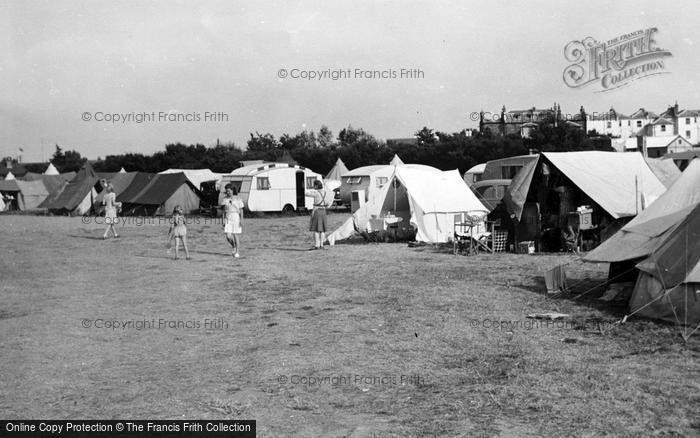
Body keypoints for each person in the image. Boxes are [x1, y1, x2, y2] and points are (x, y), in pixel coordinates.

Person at [305, 179, 334, 250]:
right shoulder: (326, 193)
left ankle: (317, 245)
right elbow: (328, 203)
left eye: (314, 185)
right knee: (323, 230)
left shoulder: (316, 193)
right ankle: (321, 245)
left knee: (316, 229)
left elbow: (306, 194)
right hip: (324, 211)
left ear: (316, 186)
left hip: (317, 211)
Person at [220, 184, 244, 258]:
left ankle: (237, 251)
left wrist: (241, 220)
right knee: (228, 236)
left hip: (236, 217)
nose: (228, 192)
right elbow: (223, 211)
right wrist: (223, 219)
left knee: (235, 234)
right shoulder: (225, 199)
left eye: (229, 191)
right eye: (226, 191)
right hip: (228, 217)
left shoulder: (238, 199)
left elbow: (241, 210)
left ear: (232, 191)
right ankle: (233, 246)